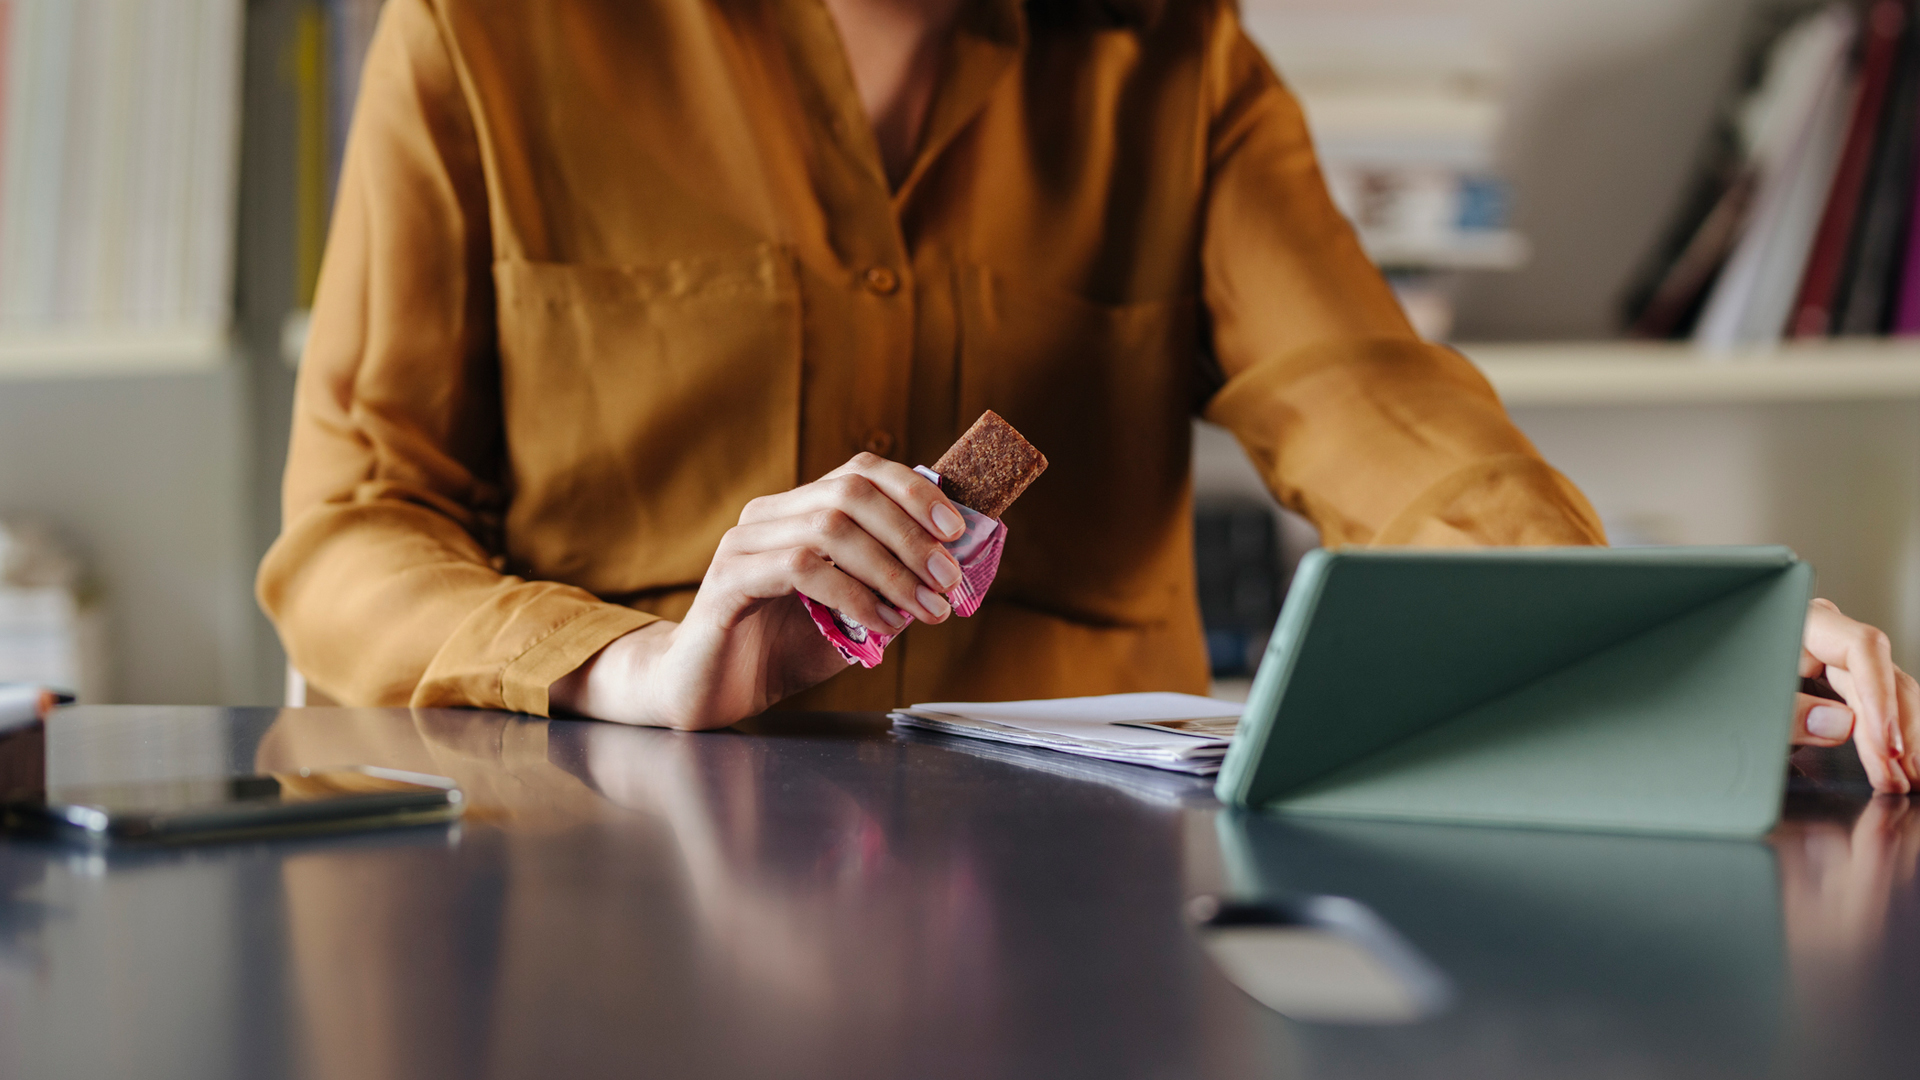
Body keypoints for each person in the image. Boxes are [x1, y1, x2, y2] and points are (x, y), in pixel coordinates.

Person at [257, 0, 1919, 793]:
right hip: (615, 878)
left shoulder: (1175, 60)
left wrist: (1638, 631)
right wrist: (630, 665)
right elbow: (346, 534)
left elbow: (1364, 394)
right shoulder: (485, 38)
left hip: (1093, 905)